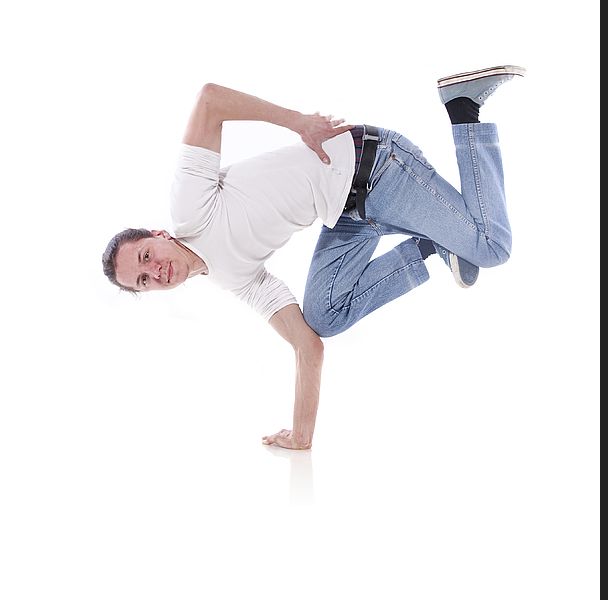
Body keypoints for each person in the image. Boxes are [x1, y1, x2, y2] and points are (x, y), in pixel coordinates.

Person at [102, 65, 525, 450]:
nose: (154, 271)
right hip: (347, 214)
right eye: (143, 280)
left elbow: (210, 99)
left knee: (491, 248)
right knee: (323, 316)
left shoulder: (189, 207)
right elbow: (308, 345)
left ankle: (463, 108)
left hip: (377, 166)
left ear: (157, 235)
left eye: (145, 256)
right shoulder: (233, 277)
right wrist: (302, 435)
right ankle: (432, 242)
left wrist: (298, 122)